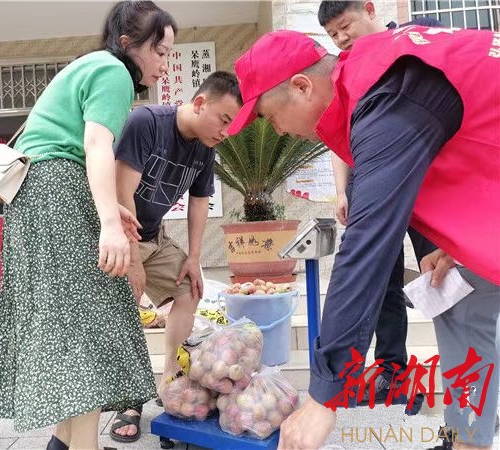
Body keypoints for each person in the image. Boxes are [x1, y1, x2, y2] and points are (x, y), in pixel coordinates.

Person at [227, 27, 499, 450]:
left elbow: (367, 246)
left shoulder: (386, 96)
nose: (276, 131)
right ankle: (467, 441)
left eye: (269, 116)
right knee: (460, 297)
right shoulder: (372, 72)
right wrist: (449, 241)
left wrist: (325, 395)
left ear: (301, 86)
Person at [0, 3, 177, 450]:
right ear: (129, 44)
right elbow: (95, 144)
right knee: (86, 318)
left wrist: (109, 207)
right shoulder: (112, 71)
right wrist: (109, 223)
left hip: (37, 196)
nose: (164, 64)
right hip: (58, 190)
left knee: (66, 319)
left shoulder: (89, 65)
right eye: (160, 52)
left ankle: (64, 441)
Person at [318, 0, 440, 405]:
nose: (341, 38)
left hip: (422, 177)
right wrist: (342, 191)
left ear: (369, 9)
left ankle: (469, 373)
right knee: (381, 279)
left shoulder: (411, 44)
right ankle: (392, 372)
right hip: (366, 182)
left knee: (441, 270)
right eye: (332, 34)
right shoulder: (344, 71)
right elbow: (339, 135)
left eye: (345, 26)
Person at [109, 71, 242, 443]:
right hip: (121, 234)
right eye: (224, 120)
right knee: (126, 304)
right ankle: (129, 400)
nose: (226, 132)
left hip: (154, 235)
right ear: (199, 103)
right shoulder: (147, 123)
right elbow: (121, 193)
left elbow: (199, 200)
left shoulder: (205, 145)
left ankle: (170, 377)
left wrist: (194, 257)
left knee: (190, 288)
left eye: (231, 125)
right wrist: (133, 260)